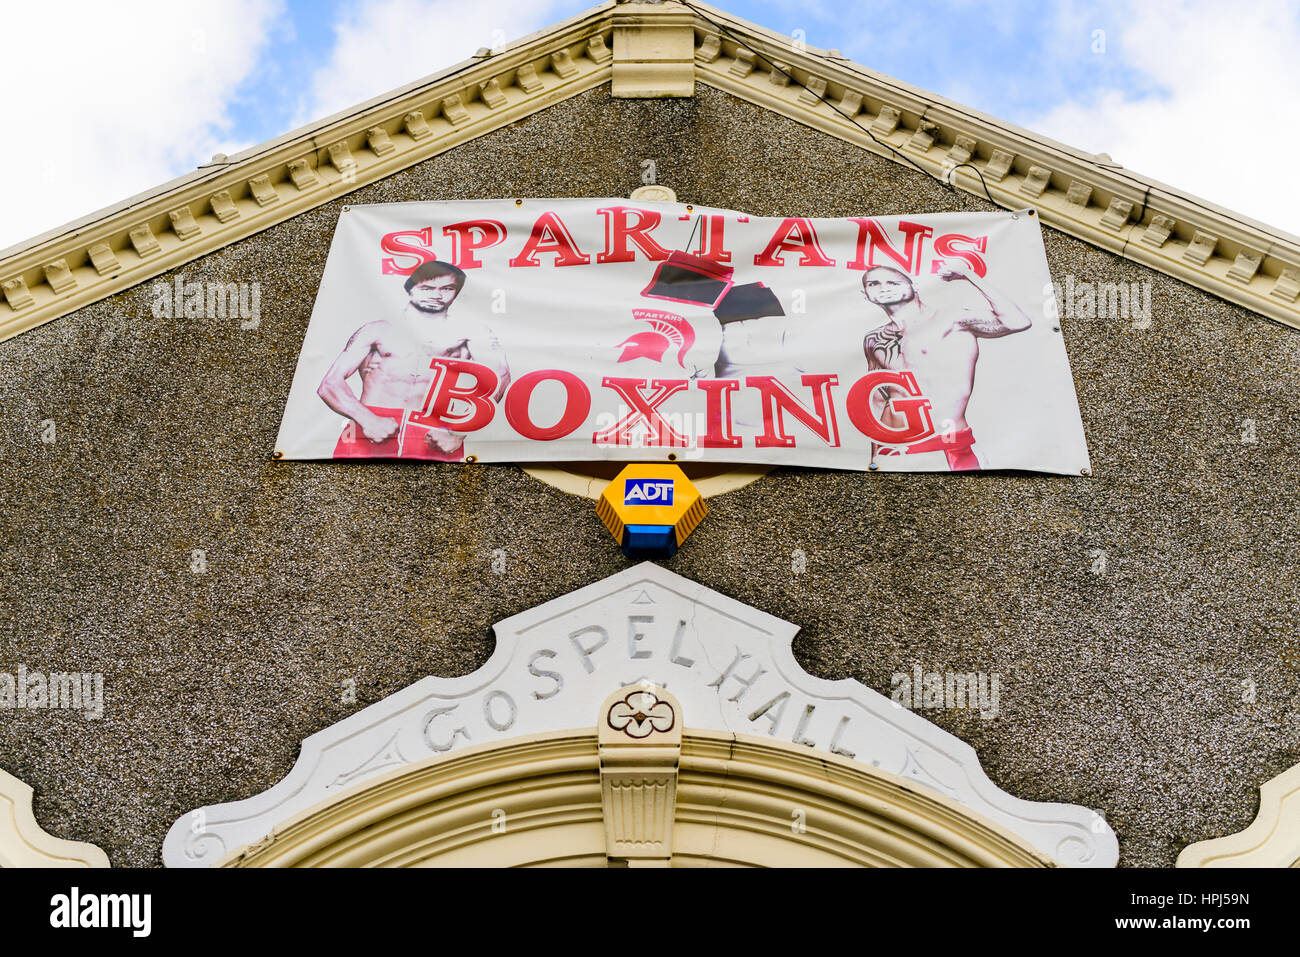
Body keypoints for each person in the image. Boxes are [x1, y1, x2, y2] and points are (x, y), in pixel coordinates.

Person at [317, 260, 510, 460]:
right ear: (410, 289)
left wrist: (457, 432)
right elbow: (330, 384)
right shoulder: (377, 330)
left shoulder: (473, 334)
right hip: (371, 427)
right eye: (426, 288)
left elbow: (500, 378)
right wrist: (367, 420)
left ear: (456, 292)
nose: (436, 295)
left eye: (447, 288)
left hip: (435, 434)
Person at [861, 261, 1031, 470]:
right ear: (865, 293)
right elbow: (879, 396)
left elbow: (1017, 321)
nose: (883, 287)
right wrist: (876, 457)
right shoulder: (874, 338)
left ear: (913, 285)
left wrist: (969, 275)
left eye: (893, 282)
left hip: (944, 444)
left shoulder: (953, 319)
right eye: (874, 284)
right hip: (894, 447)